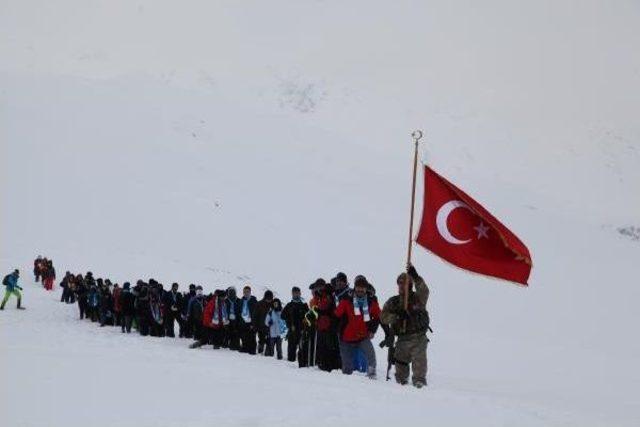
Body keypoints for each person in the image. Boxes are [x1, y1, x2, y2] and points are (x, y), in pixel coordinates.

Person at [380, 264, 430, 388]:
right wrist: (396, 316)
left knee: (419, 371)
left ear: (410, 285)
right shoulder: (393, 301)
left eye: (404, 283)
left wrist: (415, 276)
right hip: (402, 339)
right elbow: (383, 317)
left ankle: (420, 387)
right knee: (400, 375)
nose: (401, 286)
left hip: (418, 339)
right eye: (400, 283)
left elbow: (424, 290)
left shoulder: (418, 299)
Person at [335, 275, 380, 379]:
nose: (360, 289)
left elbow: (378, 316)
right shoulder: (347, 299)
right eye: (358, 287)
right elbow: (336, 315)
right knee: (347, 368)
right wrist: (337, 331)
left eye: (363, 287)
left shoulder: (370, 301)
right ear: (355, 287)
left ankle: (372, 375)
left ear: (366, 288)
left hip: (362, 336)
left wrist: (372, 330)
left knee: (371, 355)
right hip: (346, 338)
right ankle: (347, 386)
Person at [308, 279, 341, 372]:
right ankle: (324, 365)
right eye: (317, 287)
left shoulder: (328, 294)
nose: (319, 288)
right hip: (321, 326)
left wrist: (319, 311)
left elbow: (326, 308)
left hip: (329, 325)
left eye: (320, 286)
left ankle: (332, 366)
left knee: (330, 347)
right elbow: (316, 310)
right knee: (323, 346)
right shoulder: (320, 296)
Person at [281, 286, 308, 362]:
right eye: (294, 293)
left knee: (302, 350)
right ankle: (290, 364)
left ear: (300, 293)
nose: (296, 294)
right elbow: (282, 316)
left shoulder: (304, 305)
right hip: (292, 331)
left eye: (297, 293)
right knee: (291, 350)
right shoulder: (289, 305)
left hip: (302, 330)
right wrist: (289, 323)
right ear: (292, 294)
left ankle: (303, 365)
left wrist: (305, 323)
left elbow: (308, 317)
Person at [238, 285, 258, 354]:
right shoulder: (241, 301)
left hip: (251, 322)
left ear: (250, 292)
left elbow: (256, 314)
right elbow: (239, 312)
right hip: (243, 322)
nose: (246, 293)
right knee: (244, 336)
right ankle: (245, 348)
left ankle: (252, 350)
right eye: (245, 292)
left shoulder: (254, 301)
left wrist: (253, 323)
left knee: (252, 336)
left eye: (247, 292)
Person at [255, 290, 274, 354]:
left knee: (269, 341)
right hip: (261, 326)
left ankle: (268, 353)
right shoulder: (259, 304)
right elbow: (255, 316)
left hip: (271, 328)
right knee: (261, 340)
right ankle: (260, 351)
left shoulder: (274, 305)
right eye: (267, 299)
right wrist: (256, 326)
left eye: (270, 299)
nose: (269, 300)